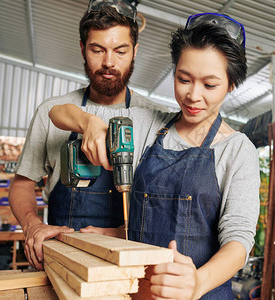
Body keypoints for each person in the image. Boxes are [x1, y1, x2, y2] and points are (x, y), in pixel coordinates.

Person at [49, 13, 260, 299]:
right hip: (137, 290)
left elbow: (238, 241)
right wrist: (88, 123)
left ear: (231, 85)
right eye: (183, 79)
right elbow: (58, 113)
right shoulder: (148, 125)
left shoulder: (237, 150)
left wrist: (196, 282)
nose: (193, 95)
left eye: (210, 85)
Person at [9, 0, 167, 271]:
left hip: (131, 264)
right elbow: (22, 185)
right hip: (62, 260)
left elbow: (164, 202)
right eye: (97, 49)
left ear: (135, 51)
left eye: (120, 51)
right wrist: (33, 226)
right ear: (83, 49)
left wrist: (121, 232)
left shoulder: (157, 119)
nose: (108, 62)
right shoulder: (51, 110)